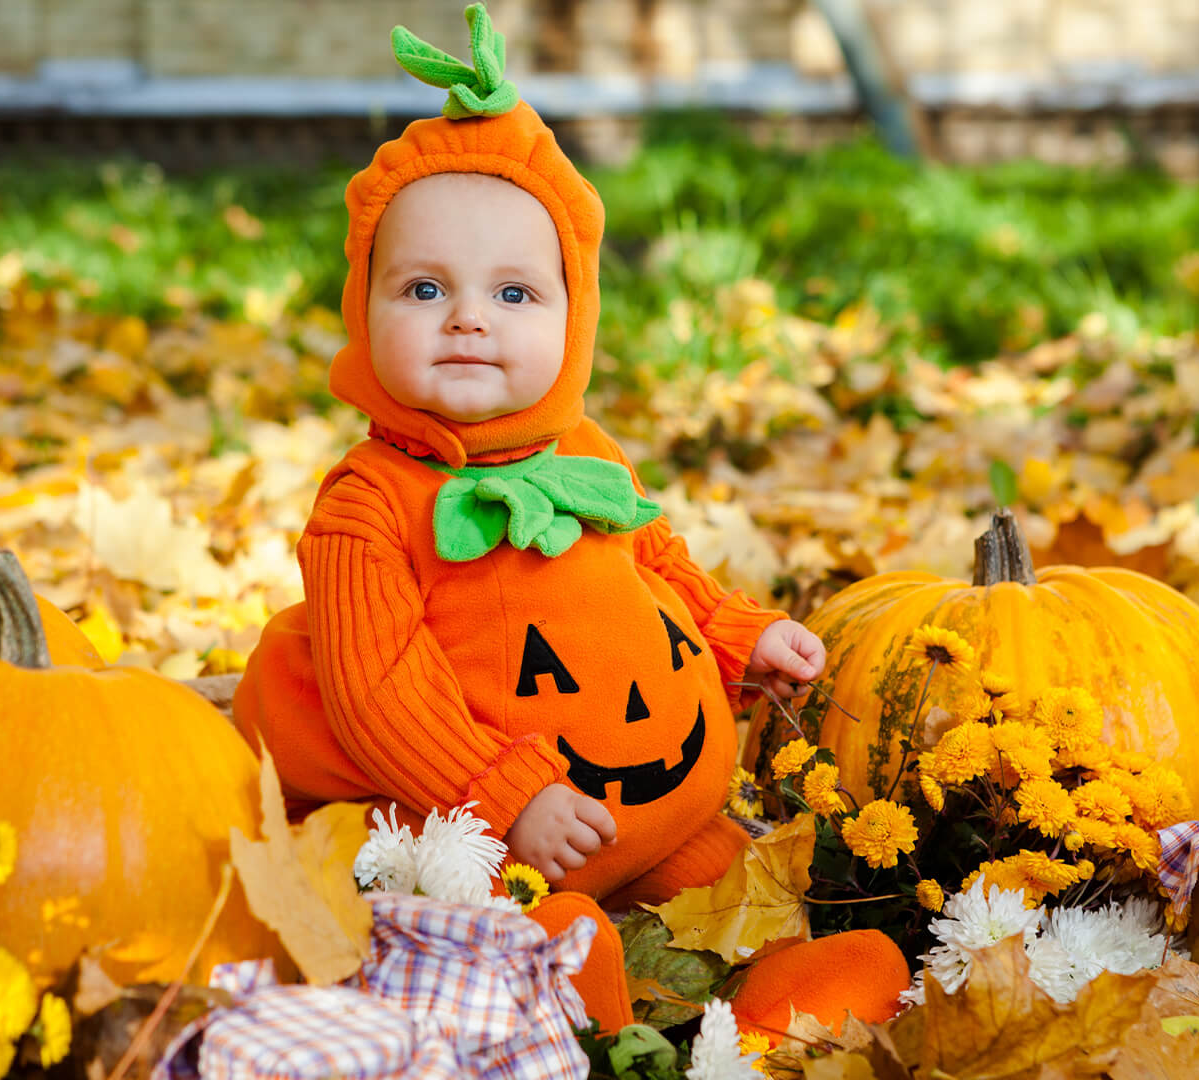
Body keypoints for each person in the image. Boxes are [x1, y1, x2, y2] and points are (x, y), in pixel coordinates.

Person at [232, 3, 824, 914]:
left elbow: (657, 564)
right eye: (425, 288)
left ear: (573, 319)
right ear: (363, 308)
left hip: (666, 814)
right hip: (492, 850)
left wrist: (738, 639)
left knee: (756, 910)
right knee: (558, 945)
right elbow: (381, 694)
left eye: (513, 292)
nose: (469, 316)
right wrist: (504, 797)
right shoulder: (368, 505)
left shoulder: (582, 449)